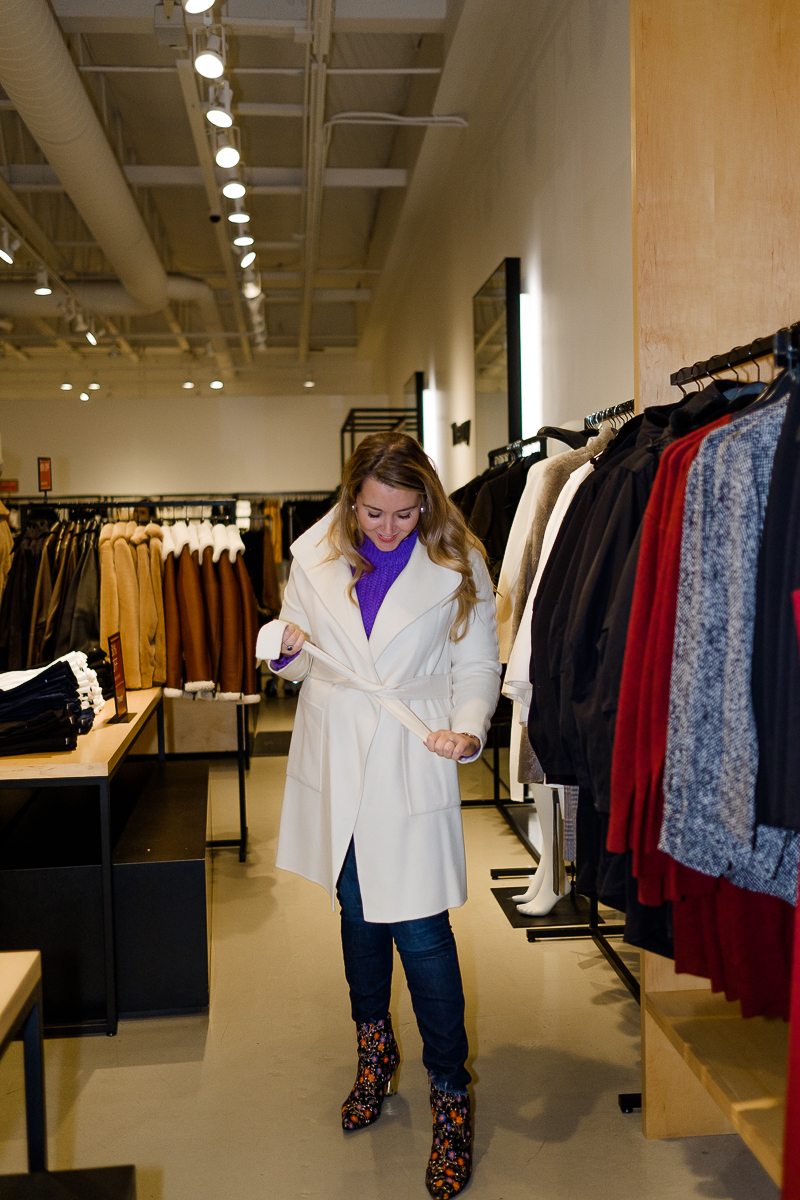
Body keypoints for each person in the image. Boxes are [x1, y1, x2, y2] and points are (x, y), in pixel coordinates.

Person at [269, 431, 500, 1198]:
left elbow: (478, 662)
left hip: (410, 750)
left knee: (424, 928)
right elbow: (298, 660)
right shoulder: (315, 557)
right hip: (339, 749)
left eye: (405, 513)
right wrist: (285, 647)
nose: (388, 528)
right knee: (357, 912)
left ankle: (450, 1094)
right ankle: (374, 1055)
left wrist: (468, 727)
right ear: (351, 498)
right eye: (373, 512)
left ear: (426, 501)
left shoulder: (459, 559)